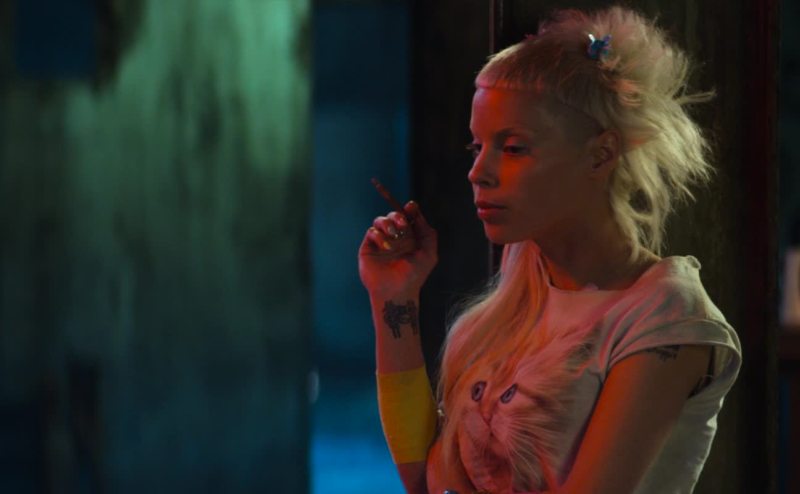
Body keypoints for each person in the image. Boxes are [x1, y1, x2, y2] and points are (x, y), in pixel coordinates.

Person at [358, 5, 742, 494]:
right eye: (477, 147)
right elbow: (425, 479)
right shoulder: (519, 294)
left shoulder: (664, 316)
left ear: (601, 154)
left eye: (513, 148)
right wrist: (394, 298)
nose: (478, 172)